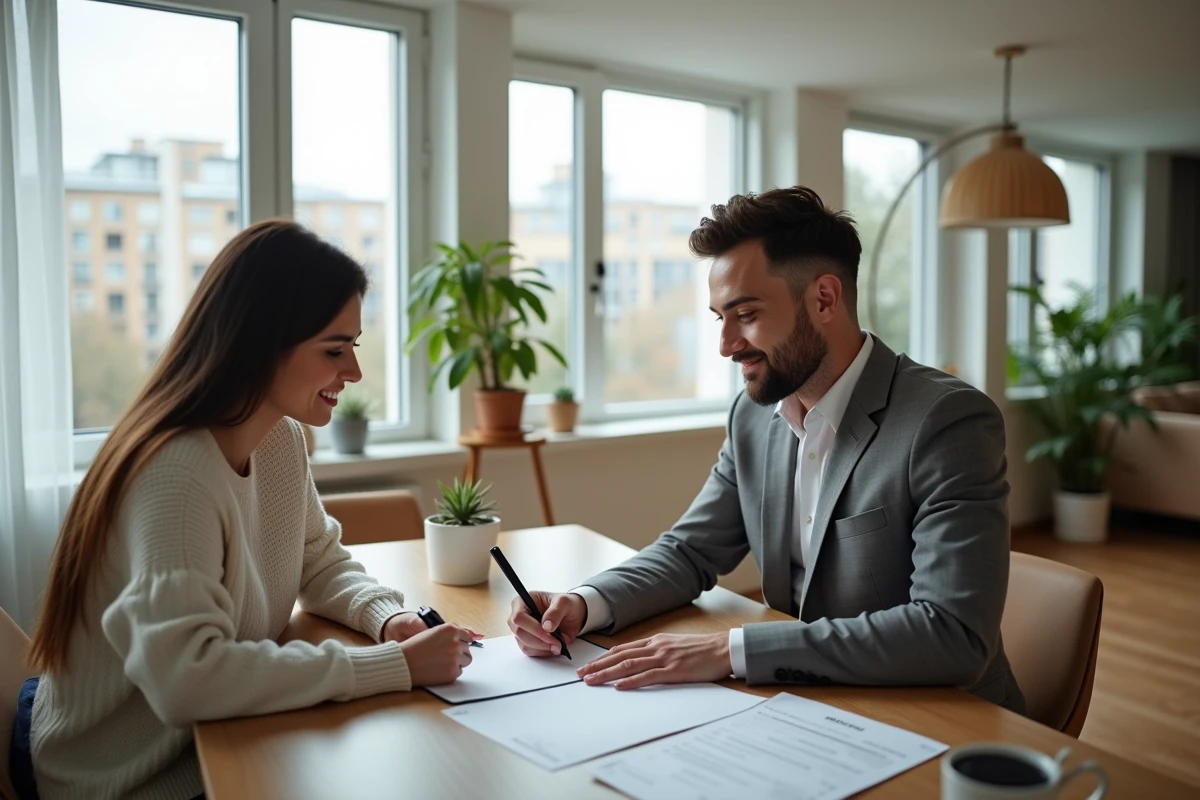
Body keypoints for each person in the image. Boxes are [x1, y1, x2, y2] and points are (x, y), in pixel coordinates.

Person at [507, 186, 1026, 715]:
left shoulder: (947, 421)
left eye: (746, 314)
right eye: (719, 318)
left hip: (941, 718)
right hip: (813, 703)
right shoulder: (754, 416)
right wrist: (583, 603)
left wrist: (729, 650)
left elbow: (953, 634)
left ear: (825, 298)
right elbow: (691, 551)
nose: (726, 344)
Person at [13, 220, 480, 800]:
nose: (354, 373)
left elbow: (317, 560)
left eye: (353, 348)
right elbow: (188, 679)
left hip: (200, 737)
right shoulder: (176, 477)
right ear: (259, 344)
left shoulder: (278, 438)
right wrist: (396, 668)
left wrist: (389, 620)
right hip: (121, 773)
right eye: (335, 350)